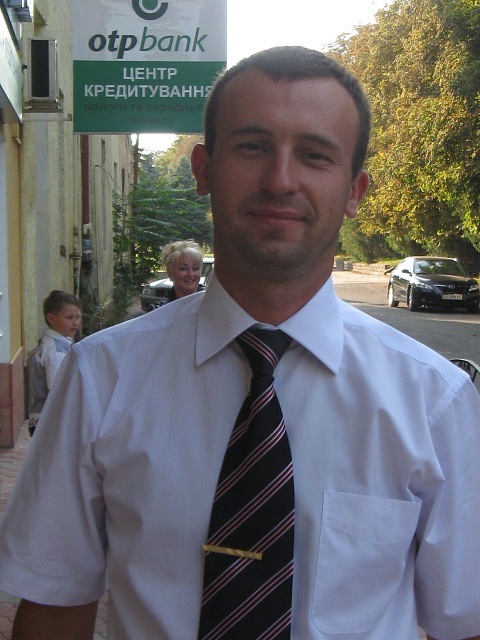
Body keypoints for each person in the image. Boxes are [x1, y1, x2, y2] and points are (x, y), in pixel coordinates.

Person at [0, 46, 479, 640]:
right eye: (252, 147)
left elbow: (464, 621)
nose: (280, 180)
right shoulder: (101, 377)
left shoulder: (433, 401)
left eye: (314, 155)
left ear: (355, 191)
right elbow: (54, 604)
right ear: (204, 170)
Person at [27, 289, 81, 436]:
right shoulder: (56, 352)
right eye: (69, 318)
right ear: (51, 318)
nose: (75, 322)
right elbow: (57, 392)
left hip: (41, 420)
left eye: (77, 317)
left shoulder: (51, 343)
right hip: (49, 423)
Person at [152, 240, 205, 310]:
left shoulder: (213, 301)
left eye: (195, 268)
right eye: (183, 268)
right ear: (170, 272)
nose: (190, 274)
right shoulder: (158, 310)